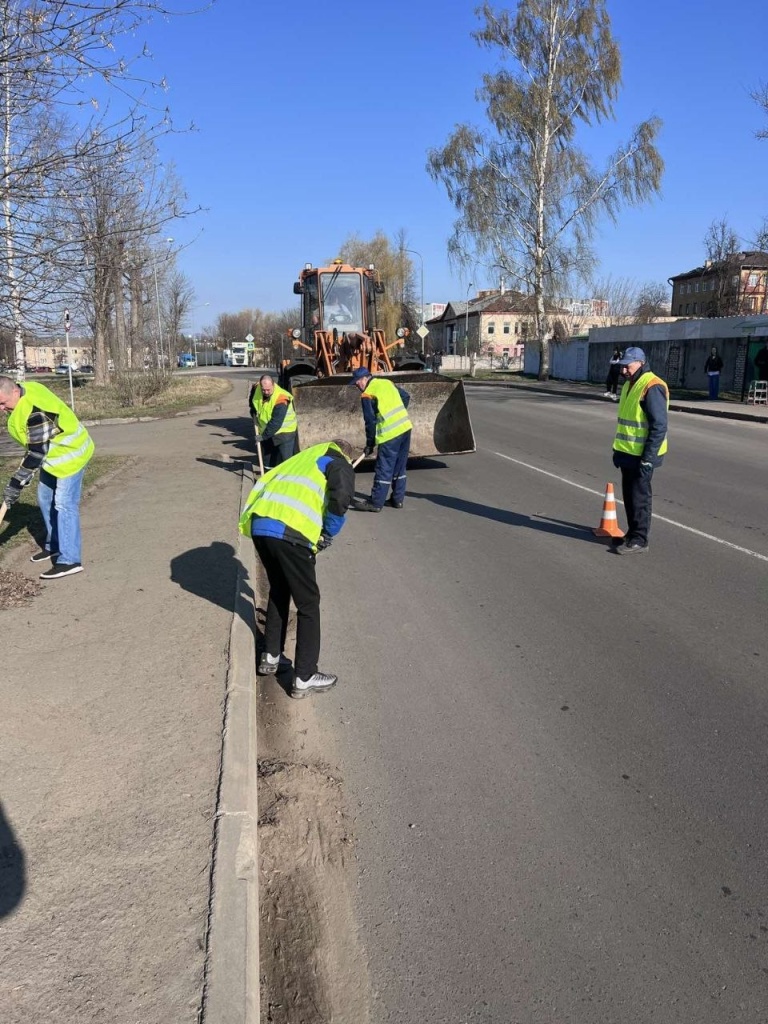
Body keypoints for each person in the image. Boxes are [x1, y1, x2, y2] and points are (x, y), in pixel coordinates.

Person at [238, 438, 357, 698]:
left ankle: (271, 656)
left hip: (261, 527)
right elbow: (341, 498)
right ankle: (304, 676)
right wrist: (327, 532)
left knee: (280, 589)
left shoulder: (302, 459)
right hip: (289, 533)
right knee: (308, 603)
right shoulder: (338, 463)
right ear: (346, 454)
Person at [0, 374, 95, 578]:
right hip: (53, 457)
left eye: (2, 403)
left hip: (71, 455)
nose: (1, 408)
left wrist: (15, 485)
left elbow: (35, 454)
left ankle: (70, 560)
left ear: (15, 392)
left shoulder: (36, 412)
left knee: (64, 504)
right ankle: (55, 544)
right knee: (44, 498)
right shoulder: (25, 388)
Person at [611, 347, 668, 555]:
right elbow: (627, 422)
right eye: (623, 366)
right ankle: (632, 533)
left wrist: (648, 458)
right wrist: (618, 451)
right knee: (629, 495)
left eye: (628, 365)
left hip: (643, 455)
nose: (624, 369)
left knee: (640, 497)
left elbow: (659, 425)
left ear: (640, 363)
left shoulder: (652, 385)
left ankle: (640, 539)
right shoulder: (630, 384)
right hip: (628, 453)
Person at [349, 366, 412, 512]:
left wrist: (370, 443)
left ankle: (375, 503)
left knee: (384, 468)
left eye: (358, 382)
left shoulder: (367, 394)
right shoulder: (386, 383)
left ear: (366, 378)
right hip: (405, 428)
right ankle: (397, 500)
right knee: (399, 466)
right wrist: (398, 414)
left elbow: (370, 422)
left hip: (390, 435)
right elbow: (405, 396)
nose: (357, 386)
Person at [249, 374, 298, 468]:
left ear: (273, 385)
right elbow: (253, 401)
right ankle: (269, 476)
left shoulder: (281, 398)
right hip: (267, 431)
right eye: (264, 390)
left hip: (285, 433)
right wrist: (253, 411)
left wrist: (263, 436)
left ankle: (287, 479)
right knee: (268, 460)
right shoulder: (256, 388)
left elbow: (276, 422)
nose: (266, 392)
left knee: (286, 461)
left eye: (268, 390)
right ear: (260, 385)